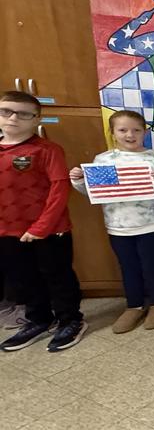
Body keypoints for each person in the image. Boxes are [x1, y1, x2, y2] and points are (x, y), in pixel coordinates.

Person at [69, 110, 154, 333]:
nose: (130, 134)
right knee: (128, 267)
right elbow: (94, 192)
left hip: (153, 224)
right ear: (112, 132)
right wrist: (78, 181)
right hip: (118, 227)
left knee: (152, 266)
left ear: (144, 132)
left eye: (136, 130)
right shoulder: (104, 160)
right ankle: (134, 305)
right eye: (123, 130)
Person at [0, 91, 87, 352]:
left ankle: (70, 320)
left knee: (57, 276)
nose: (14, 118)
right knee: (22, 278)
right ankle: (39, 319)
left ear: (37, 118)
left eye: (23, 113)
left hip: (50, 230)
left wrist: (41, 227)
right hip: (7, 230)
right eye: (7, 111)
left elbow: (59, 190)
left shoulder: (46, 150)